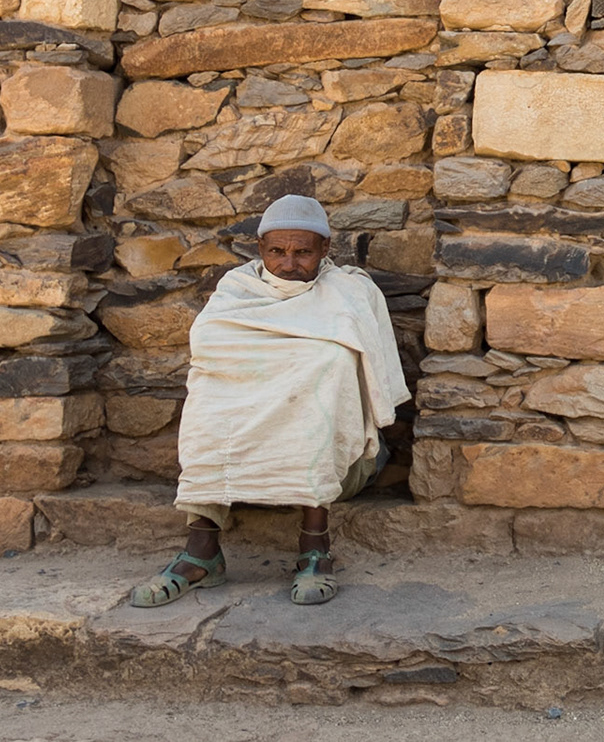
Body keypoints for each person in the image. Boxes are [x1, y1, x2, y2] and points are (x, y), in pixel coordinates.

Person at [129, 195, 410, 608]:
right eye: (277, 251)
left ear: (325, 248)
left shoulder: (349, 291)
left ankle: (315, 546)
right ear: (260, 248)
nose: (289, 264)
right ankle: (202, 552)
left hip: (341, 463)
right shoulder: (236, 289)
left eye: (302, 252)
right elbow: (210, 354)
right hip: (242, 447)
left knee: (322, 378)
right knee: (209, 393)